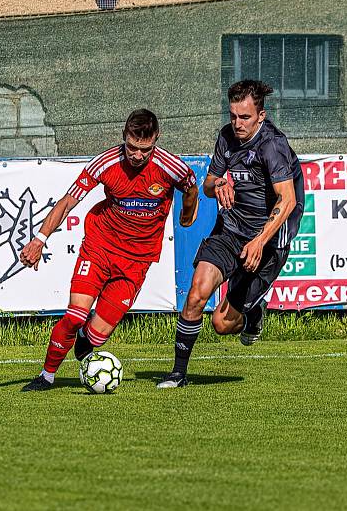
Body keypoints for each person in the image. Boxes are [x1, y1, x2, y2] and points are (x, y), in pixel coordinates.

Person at [19, 109, 199, 391]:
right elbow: (68, 201)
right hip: (100, 247)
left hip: (137, 261)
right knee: (75, 315)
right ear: (124, 137)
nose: (137, 155)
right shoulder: (105, 163)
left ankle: (86, 339)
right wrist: (39, 239)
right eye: (131, 147)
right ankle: (47, 376)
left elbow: (190, 186)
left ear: (156, 140)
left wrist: (187, 213)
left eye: (145, 149)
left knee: (97, 335)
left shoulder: (171, 166)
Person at [158, 80, 304, 389]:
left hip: (268, 239)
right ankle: (177, 374)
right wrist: (219, 185)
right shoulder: (226, 137)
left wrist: (259, 242)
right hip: (231, 229)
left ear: (261, 116)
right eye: (233, 115)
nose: (237, 123)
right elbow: (209, 185)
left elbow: (287, 200)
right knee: (197, 292)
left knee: (222, 324)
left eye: (245, 117)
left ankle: (252, 313)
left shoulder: (272, 145)